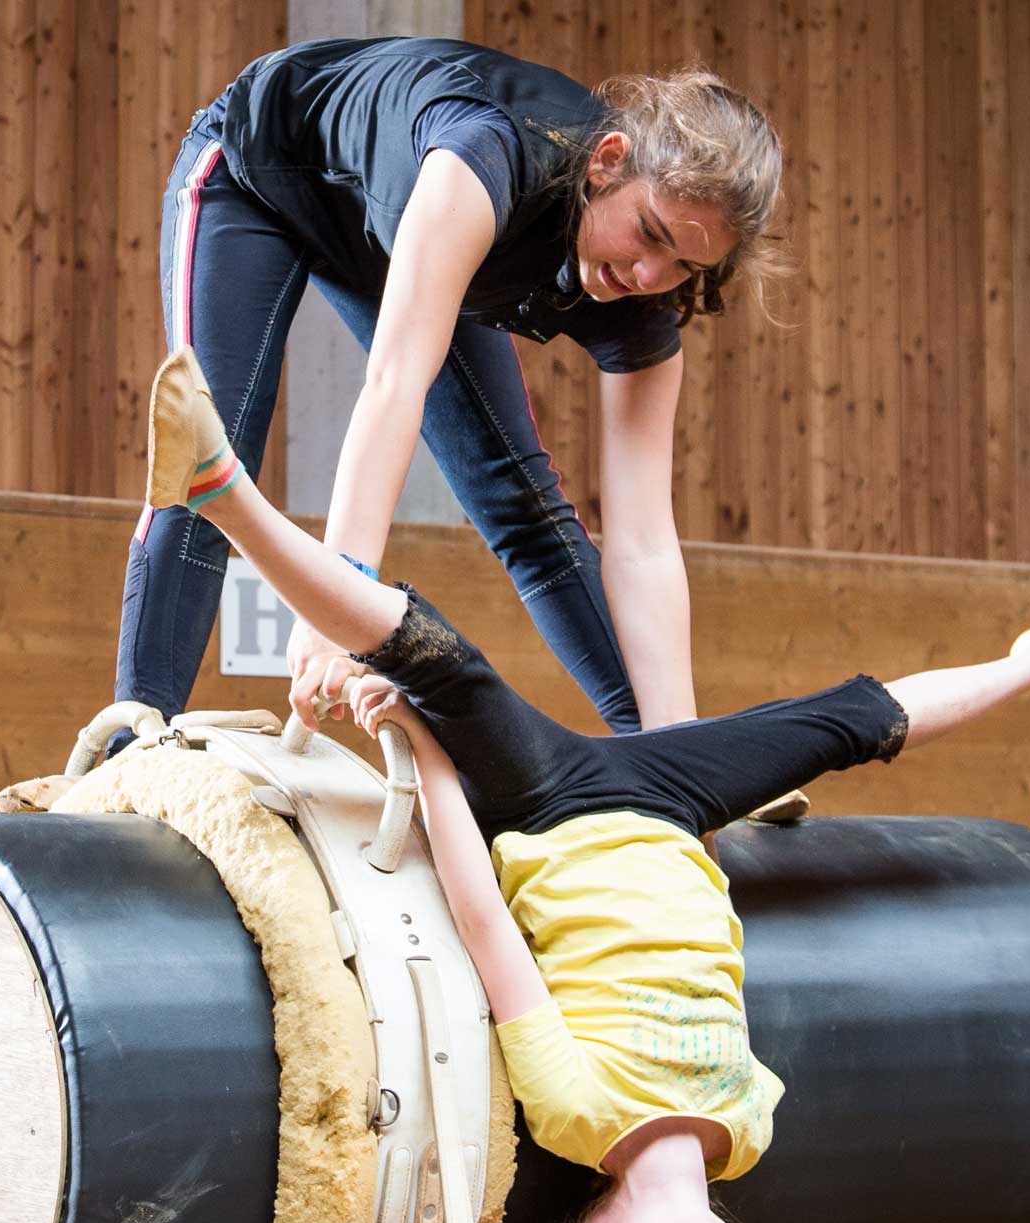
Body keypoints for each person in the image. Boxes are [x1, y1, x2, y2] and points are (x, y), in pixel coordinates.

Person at [146, 345, 1030, 1223]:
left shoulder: (577, 1110)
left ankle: (223, 494)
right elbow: (714, 950)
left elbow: (485, 923)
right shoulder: (750, 1127)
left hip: (552, 813)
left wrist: (423, 748)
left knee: (438, 660)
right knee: (848, 722)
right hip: (678, 810)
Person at [116, 38, 786, 751]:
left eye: (684, 264)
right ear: (607, 161)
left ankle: (660, 755)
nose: (649, 272)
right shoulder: (487, 161)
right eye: (648, 233)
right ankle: (132, 741)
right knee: (214, 455)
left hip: (398, 237)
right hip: (261, 168)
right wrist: (330, 611)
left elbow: (646, 543)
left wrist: (687, 759)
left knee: (522, 502)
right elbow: (395, 386)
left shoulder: (646, 298)